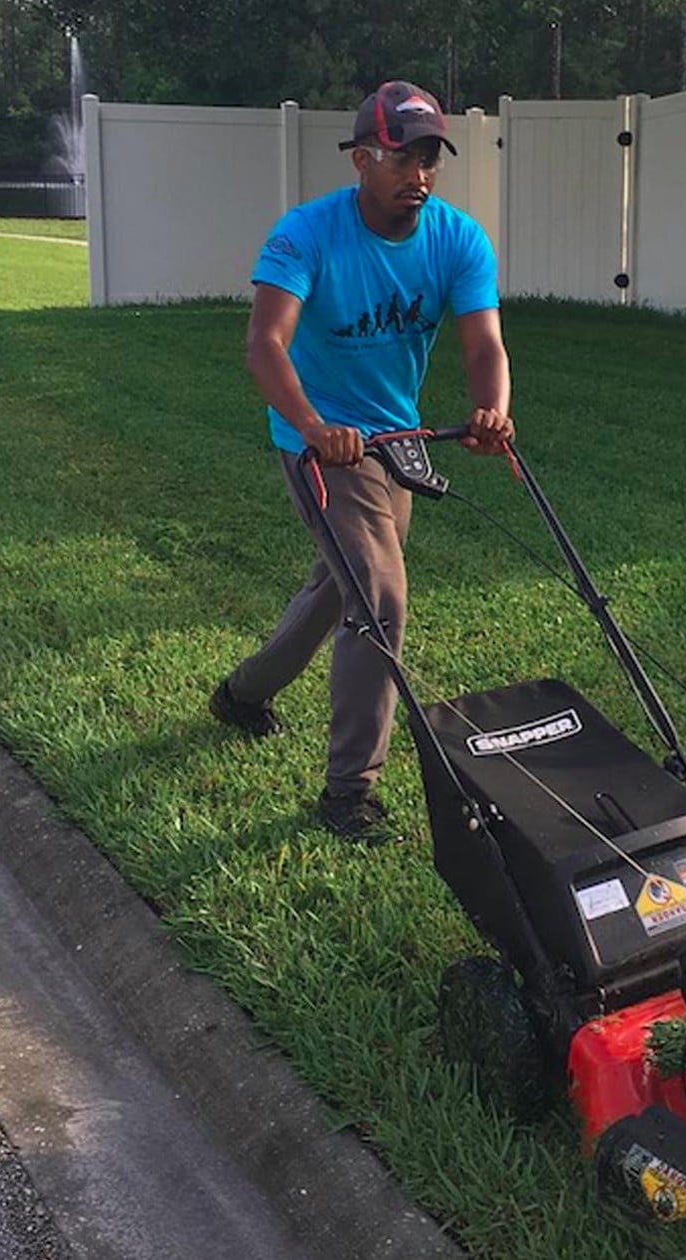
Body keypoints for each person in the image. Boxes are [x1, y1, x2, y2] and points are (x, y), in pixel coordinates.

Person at [209, 80, 513, 844]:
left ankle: (243, 695)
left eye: (427, 159)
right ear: (360, 159)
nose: (417, 174)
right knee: (378, 600)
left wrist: (491, 411)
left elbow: (483, 345)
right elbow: (265, 345)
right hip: (321, 446)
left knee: (336, 589)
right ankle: (350, 791)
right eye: (400, 157)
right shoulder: (306, 235)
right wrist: (313, 424)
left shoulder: (456, 237)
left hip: (395, 441)